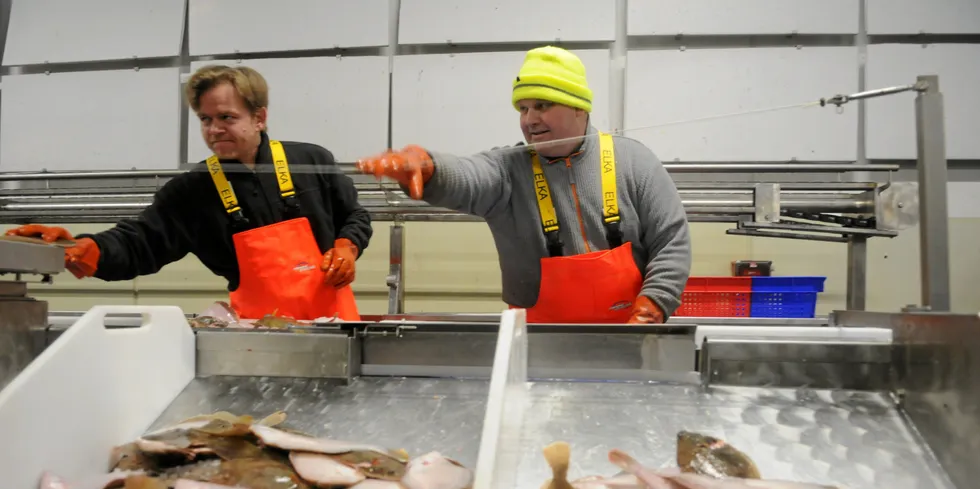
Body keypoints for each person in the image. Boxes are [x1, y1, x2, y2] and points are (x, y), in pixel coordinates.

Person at [5, 64, 373, 321]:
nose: (213, 130)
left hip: (335, 324)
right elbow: (140, 241)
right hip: (259, 334)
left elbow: (355, 216)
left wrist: (346, 246)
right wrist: (80, 249)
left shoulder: (310, 160)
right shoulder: (192, 190)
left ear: (259, 118)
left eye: (226, 118)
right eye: (205, 120)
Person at [355, 46, 691, 324]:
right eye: (523, 108)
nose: (529, 120)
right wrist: (426, 166)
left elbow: (671, 241)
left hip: (632, 337)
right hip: (536, 348)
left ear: (578, 106)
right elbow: (467, 175)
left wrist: (653, 306)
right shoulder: (506, 172)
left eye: (542, 105)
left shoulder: (634, 162)